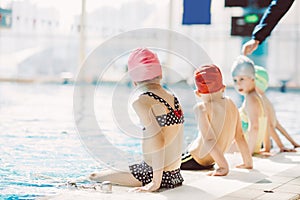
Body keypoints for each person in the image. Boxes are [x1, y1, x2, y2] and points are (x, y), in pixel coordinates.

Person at [89, 48, 184, 192]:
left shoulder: (143, 101)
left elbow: (158, 140)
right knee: (121, 166)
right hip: (175, 175)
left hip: (154, 174)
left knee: (94, 176)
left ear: (134, 80)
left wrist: (155, 182)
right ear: (160, 74)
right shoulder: (173, 98)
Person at [181, 64, 253, 176]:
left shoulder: (202, 108)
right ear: (223, 88)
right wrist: (248, 162)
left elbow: (209, 140)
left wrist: (223, 166)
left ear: (198, 93)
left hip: (194, 160)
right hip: (211, 161)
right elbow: (240, 136)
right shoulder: (231, 104)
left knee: (164, 163)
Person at [254, 65, 299, 152]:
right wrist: (293, 143)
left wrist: (281, 146)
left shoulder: (260, 100)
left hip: (266, 142)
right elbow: (277, 125)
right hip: (269, 140)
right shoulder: (265, 99)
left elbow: (270, 125)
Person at [231, 55, 268, 155]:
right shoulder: (258, 97)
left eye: (242, 79)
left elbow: (254, 126)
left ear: (252, 78)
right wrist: (267, 147)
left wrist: (248, 154)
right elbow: (265, 124)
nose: (238, 84)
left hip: (245, 146)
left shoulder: (251, 99)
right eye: (235, 80)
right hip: (253, 145)